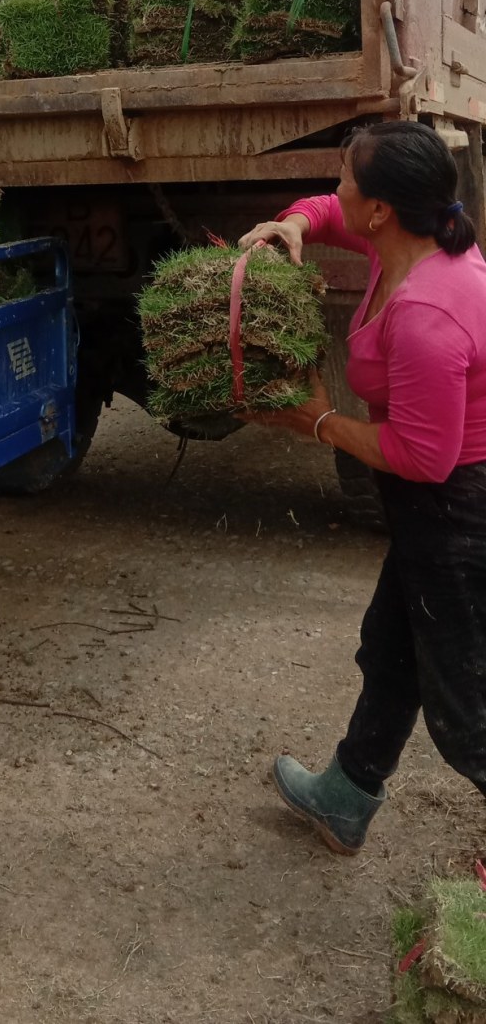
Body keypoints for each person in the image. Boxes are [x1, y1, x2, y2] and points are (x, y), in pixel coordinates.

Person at [238, 121, 486, 856]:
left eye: (347, 177)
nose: (336, 186)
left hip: (457, 513)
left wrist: (317, 422)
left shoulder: (426, 312)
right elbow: (322, 210)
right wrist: (290, 225)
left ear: (380, 209)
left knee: (467, 712)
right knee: (391, 647)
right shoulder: (409, 244)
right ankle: (347, 794)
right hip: (430, 511)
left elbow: (422, 455)